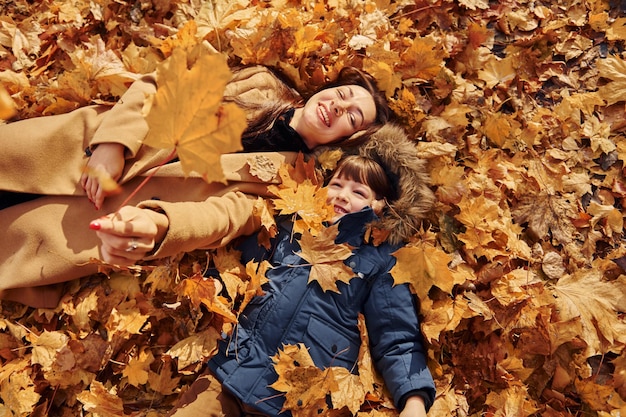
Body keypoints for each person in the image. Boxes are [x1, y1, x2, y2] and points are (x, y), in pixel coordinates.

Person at [94, 124, 437, 416]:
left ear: (379, 205)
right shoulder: (289, 223)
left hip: (295, 397)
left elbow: (395, 336)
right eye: (337, 184)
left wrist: (414, 399)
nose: (343, 196)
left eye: (359, 191)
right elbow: (233, 263)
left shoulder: (378, 259)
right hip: (232, 368)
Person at [0, 63, 390, 308]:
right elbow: (162, 87)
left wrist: (159, 226)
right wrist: (112, 144)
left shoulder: (291, 185)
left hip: (90, 217)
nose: (339, 107)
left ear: (345, 140)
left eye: (352, 117)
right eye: (342, 94)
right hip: (70, 149)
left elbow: (223, 219)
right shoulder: (261, 85)